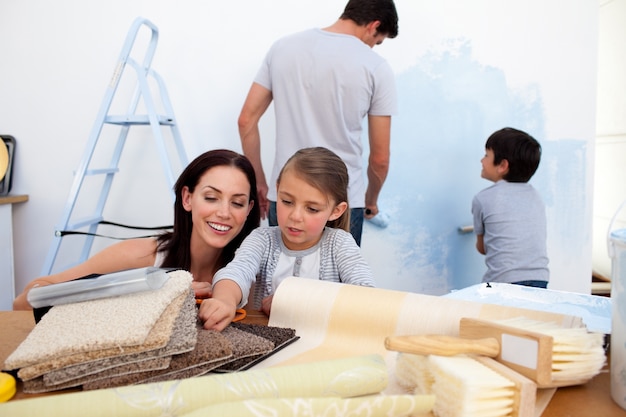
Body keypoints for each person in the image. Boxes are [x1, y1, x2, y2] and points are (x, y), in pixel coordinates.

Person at [13, 149, 261, 314]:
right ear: (187, 198)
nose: (224, 213)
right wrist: (152, 295)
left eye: (237, 203)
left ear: (249, 209)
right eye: (211, 197)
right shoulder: (142, 255)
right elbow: (25, 302)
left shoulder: (255, 271)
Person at [237, 0, 399, 246]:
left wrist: (259, 182)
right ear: (374, 26)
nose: (372, 48)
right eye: (377, 42)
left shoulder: (283, 48)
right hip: (341, 201)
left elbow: (246, 121)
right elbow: (380, 160)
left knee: (284, 282)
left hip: (284, 196)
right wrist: (370, 200)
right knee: (337, 284)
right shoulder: (375, 67)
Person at [199, 147, 375, 330]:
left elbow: (366, 295)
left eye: (312, 209)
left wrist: (292, 301)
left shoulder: (340, 244)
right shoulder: (262, 239)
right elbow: (237, 272)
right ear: (277, 190)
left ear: (336, 211)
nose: (295, 216)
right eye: (287, 202)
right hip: (269, 342)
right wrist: (224, 300)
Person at [471, 127, 549, 288]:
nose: (482, 160)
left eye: (486, 155)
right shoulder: (536, 196)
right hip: (540, 279)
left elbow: (483, 248)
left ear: (502, 165)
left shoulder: (483, 198)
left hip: (501, 282)